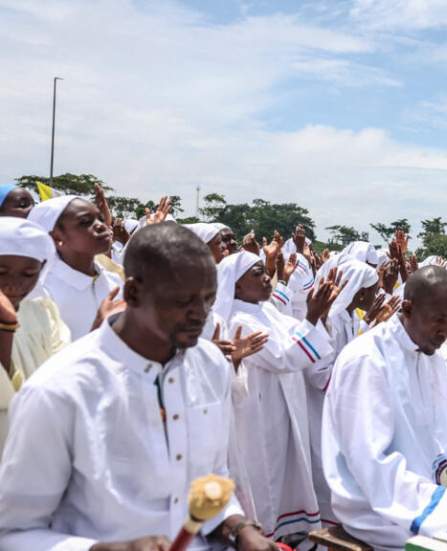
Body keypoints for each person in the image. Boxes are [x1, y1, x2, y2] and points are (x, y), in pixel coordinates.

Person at [0, 223, 276, 550]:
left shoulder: (210, 364)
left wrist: (237, 526)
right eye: (182, 301)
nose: (199, 314)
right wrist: (105, 549)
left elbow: (211, 476)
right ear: (132, 293)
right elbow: (13, 534)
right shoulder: (59, 390)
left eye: (208, 299)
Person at [321, 266, 447, 550]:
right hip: (381, 507)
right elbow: (370, 461)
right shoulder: (366, 359)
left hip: (434, 489)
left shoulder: (431, 356)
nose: (446, 332)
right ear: (408, 308)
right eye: (439, 320)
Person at [215, 250, 339, 544]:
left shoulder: (266, 310)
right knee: (267, 475)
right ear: (237, 285)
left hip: (285, 407)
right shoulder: (238, 319)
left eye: (264, 271)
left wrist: (315, 315)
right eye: (256, 273)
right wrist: (311, 315)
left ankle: (291, 535)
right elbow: (284, 356)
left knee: (288, 473)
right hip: (261, 412)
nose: (266, 278)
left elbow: (296, 336)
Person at [308, 258, 380, 525]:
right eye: (373, 290)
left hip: (341, 408)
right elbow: (318, 374)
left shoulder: (347, 317)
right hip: (322, 406)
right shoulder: (334, 320)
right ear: (360, 291)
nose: (377, 295)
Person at [0, 218, 70, 453]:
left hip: (41, 438)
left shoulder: (43, 311)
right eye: (1, 272)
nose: (14, 284)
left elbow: (63, 371)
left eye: (29, 273)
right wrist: (7, 327)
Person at [27, 196, 124, 341]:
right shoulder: (42, 293)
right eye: (85, 222)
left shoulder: (114, 281)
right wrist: (97, 334)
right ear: (56, 238)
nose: (101, 226)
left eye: (101, 219)